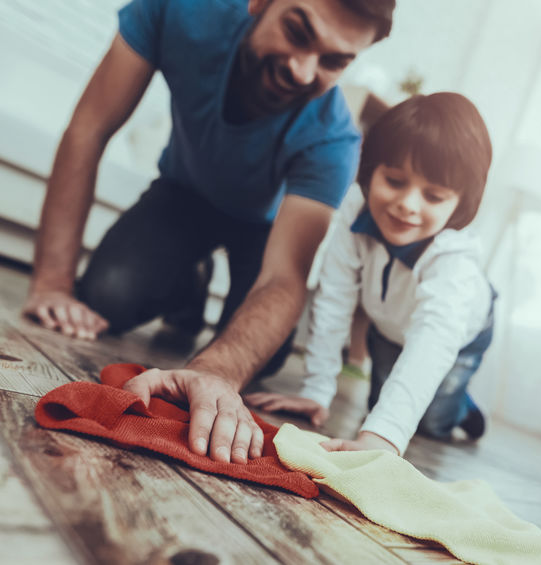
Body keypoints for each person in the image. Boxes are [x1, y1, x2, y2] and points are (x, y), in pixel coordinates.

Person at [21, 0, 395, 464]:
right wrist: (51, 282)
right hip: (183, 194)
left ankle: (198, 296)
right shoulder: (180, 11)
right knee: (106, 294)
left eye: (334, 61)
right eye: (297, 32)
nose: (303, 71)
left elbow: (284, 276)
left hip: (263, 228)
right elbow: (89, 129)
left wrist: (215, 371)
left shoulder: (333, 138)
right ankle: (188, 285)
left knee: (265, 356)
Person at [245, 92, 495, 455]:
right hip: (390, 323)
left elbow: (433, 340)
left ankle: (461, 406)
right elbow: (334, 298)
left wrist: (385, 438)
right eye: (394, 181)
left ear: (460, 204)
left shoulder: (454, 259)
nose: (407, 205)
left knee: (425, 422)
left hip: (455, 337)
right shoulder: (353, 212)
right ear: (370, 169)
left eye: (434, 197)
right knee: (380, 401)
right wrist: (317, 390)